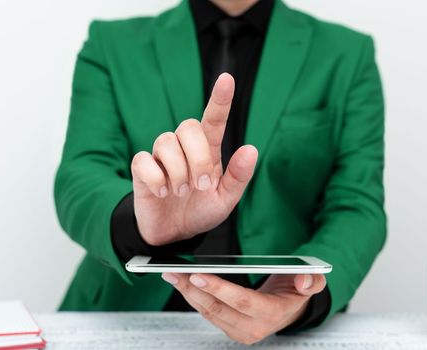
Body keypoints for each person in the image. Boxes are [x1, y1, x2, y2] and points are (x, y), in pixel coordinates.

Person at [54, 0, 385, 344]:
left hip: (281, 320)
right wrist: (141, 221)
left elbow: (357, 204)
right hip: (127, 315)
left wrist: (300, 296)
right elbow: (80, 174)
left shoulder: (346, 54)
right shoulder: (112, 44)